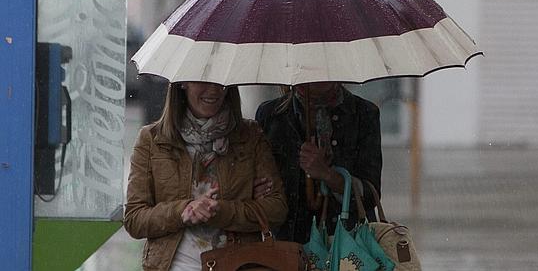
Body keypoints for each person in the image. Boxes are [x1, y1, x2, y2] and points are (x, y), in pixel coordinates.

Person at [124, 82, 288, 271]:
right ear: (183, 84)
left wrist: (222, 211)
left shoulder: (250, 136)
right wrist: (182, 211)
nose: (213, 90)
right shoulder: (152, 140)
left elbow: (276, 210)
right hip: (174, 266)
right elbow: (134, 219)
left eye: (220, 83)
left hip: (239, 263)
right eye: (203, 81)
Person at [254, 82, 382, 244]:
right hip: (287, 244)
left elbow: (371, 194)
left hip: (347, 246)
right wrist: (258, 190)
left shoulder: (364, 113)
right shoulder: (270, 115)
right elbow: (259, 181)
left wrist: (328, 175)